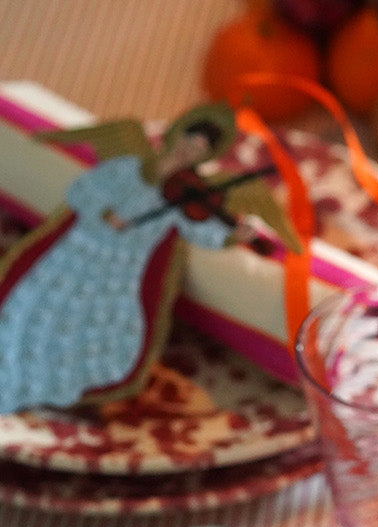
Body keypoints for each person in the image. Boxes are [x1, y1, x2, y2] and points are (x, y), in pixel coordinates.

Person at [0, 104, 282, 413]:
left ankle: (58, 381)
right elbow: (85, 189)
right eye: (189, 142)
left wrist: (234, 234)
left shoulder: (184, 193)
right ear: (176, 136)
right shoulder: (127, 168)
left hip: (124, 267)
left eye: (199, 151)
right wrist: (107, 214)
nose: (189, 151)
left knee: (102, 324)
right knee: (48, 304)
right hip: (85, 247)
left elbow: (200, 229)